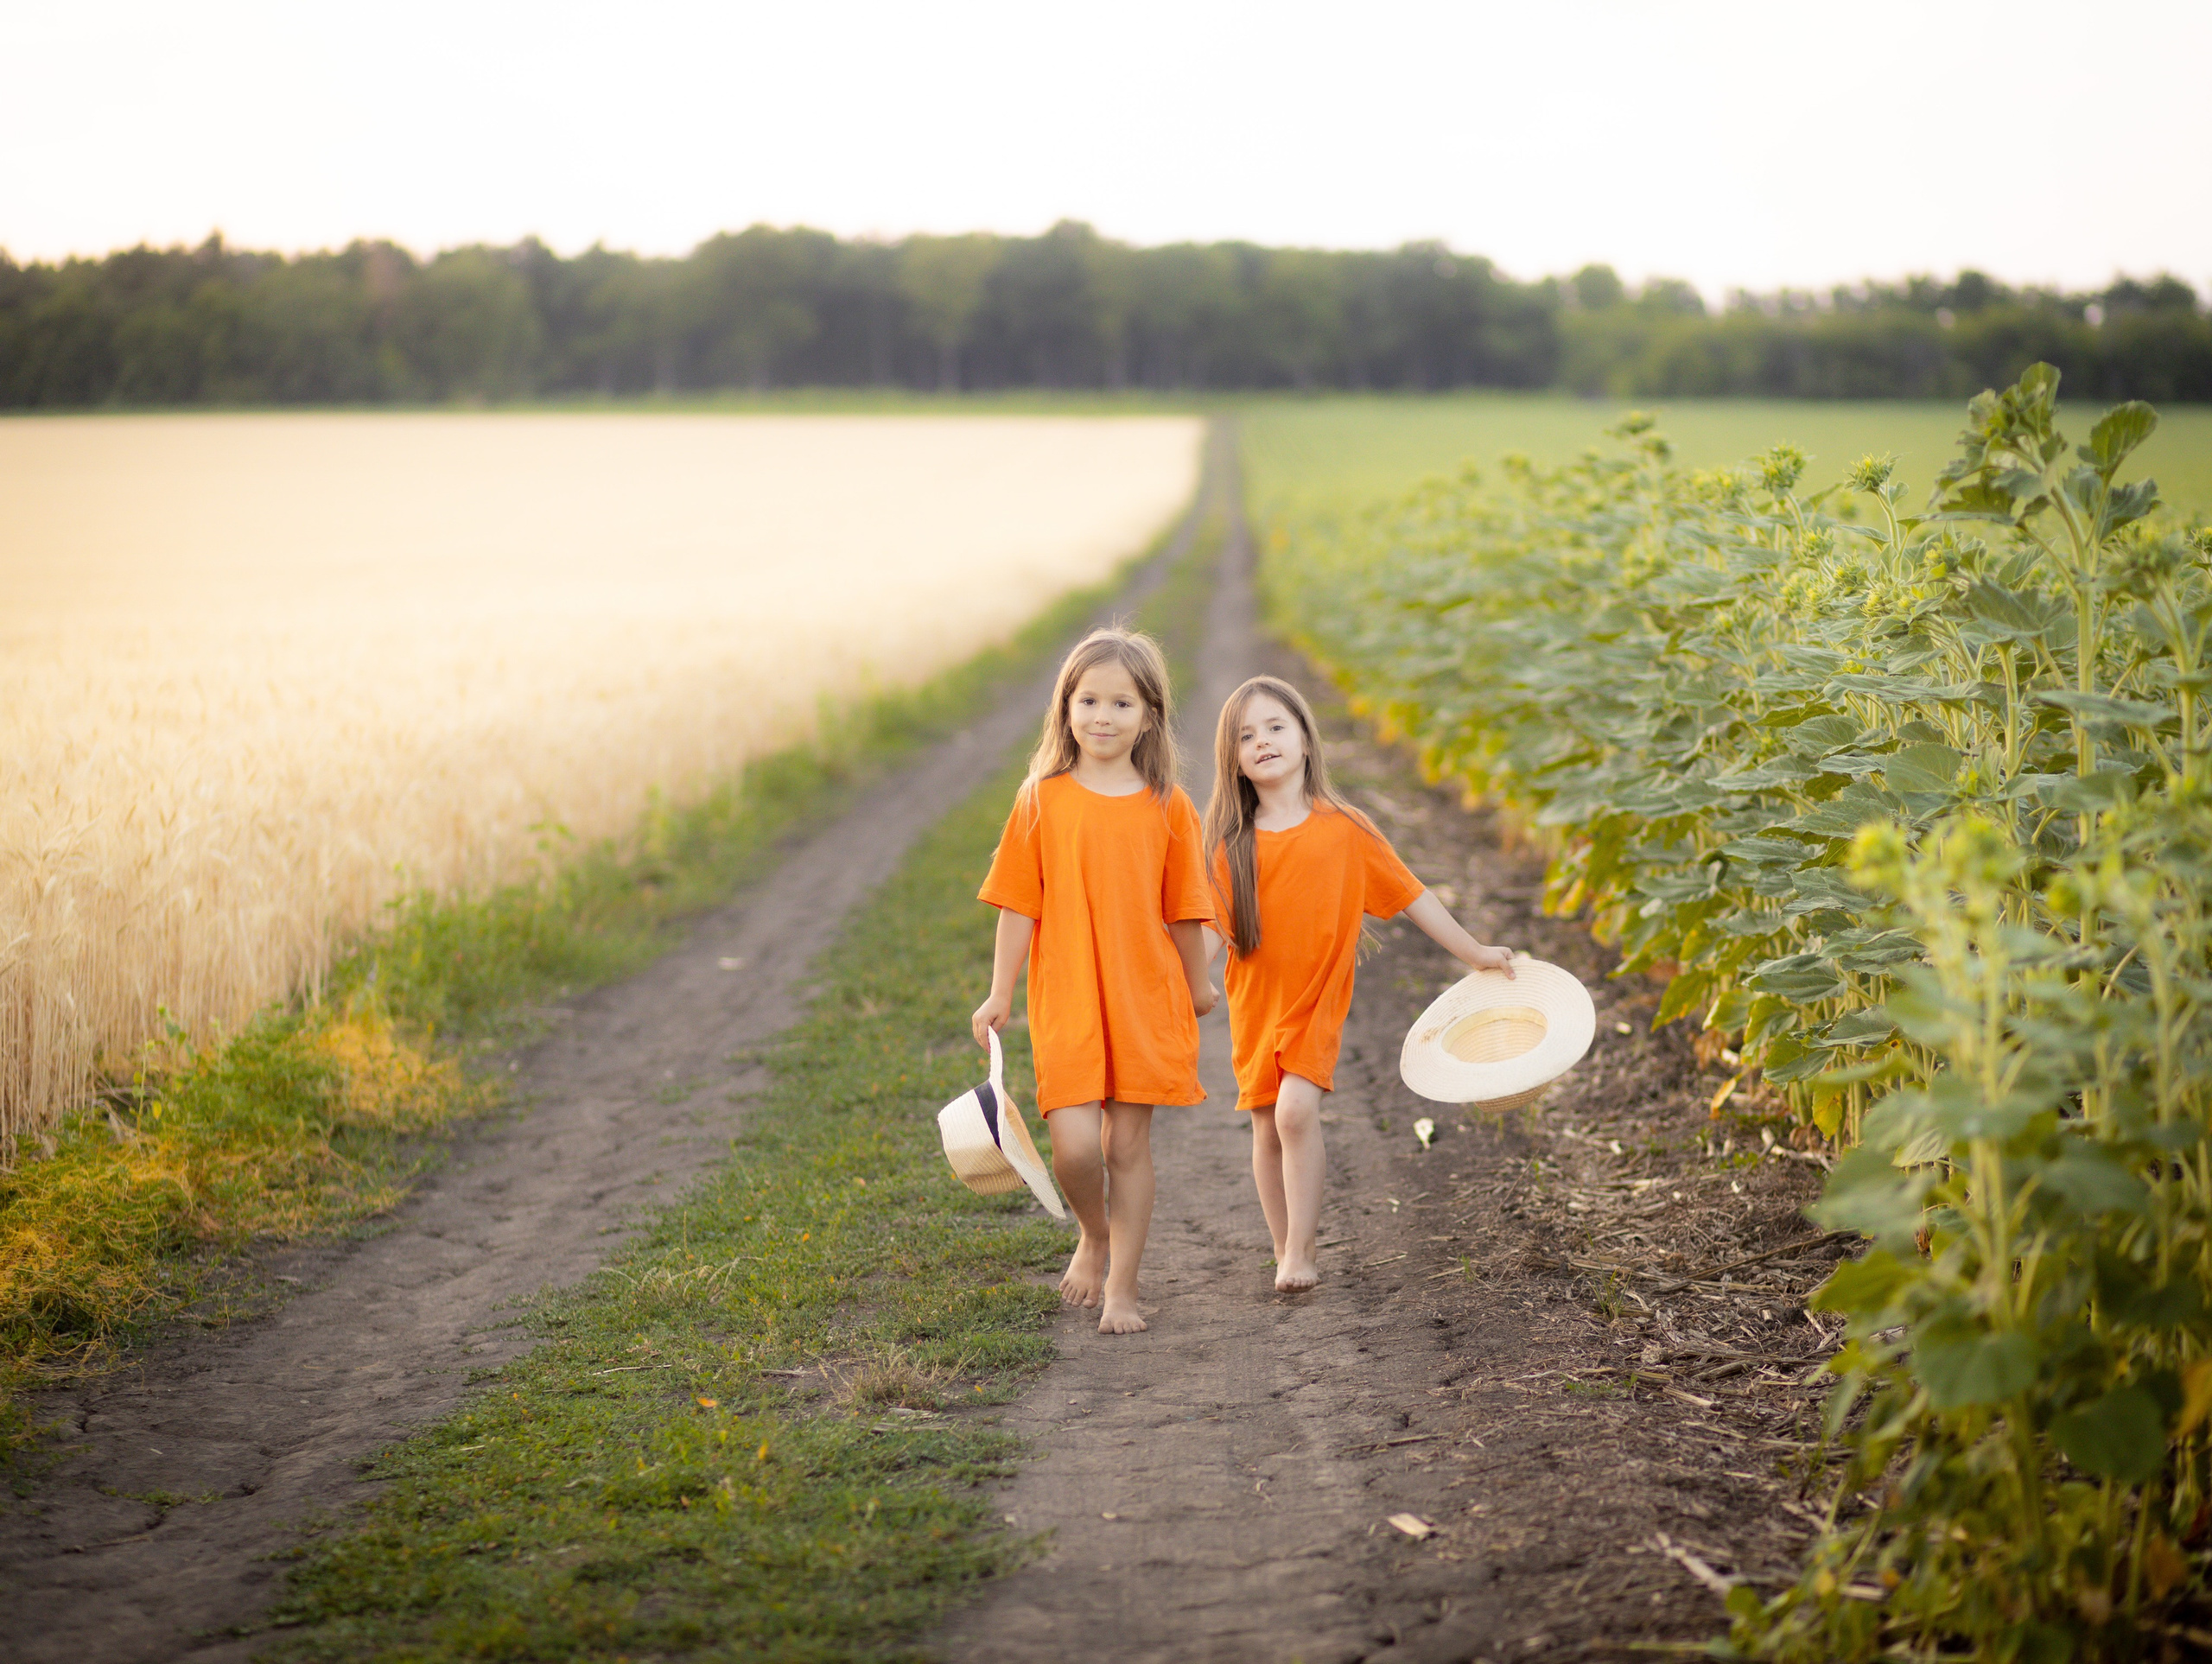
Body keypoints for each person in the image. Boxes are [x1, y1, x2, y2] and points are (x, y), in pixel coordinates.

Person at [1203, 675, 1513, 1292]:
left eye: (1275, 727)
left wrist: (1473, 951)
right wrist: (1176, 984)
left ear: (1306, 742)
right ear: (1233, 761)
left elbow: (1413, 895)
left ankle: (1302, 1250)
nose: (1261, 741)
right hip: (1256, 1001)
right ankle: (1281, 1241)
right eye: (1245, 736)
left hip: (1317, 998)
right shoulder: (1231, 846)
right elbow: (1207, 936)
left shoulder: (1346, 828)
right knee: (1266, 1124)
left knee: (1294, 1113)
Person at [971, 627, 1217, 1334]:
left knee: (1125, 1146)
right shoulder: (1041, 799)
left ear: (1149, 717)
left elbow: (1186, 910)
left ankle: (1124, 1289)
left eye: (1122, 703)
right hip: (1069, 996)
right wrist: (999, 992)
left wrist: (1198, 986)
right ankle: (1095, 1233)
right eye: (1089, 700)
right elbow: (1020, 903)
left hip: (1144, 994)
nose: (1103, 717)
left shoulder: (1168, 804)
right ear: (1065, 708)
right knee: (1077, 1148)